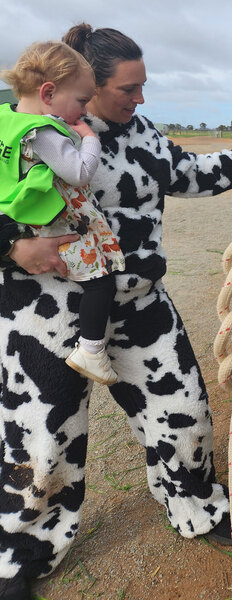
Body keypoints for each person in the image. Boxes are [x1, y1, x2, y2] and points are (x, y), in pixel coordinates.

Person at [0, 23, 232, 600]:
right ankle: (22, 553)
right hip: (46, 313)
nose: (140, 100)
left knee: (184, 412)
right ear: (86, 86)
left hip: (139, 303)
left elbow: (188, 173)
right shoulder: (24, 133)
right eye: (128, 89)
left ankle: (194, 503)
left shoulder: (141, 132)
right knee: (42, 441)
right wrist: (11, 244)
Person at [0, 41, 125, 388]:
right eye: (82, 101)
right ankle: (91, 350)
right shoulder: (43, 133)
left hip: (19, 220)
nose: (83, 111)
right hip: (55, 227)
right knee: (100, 282)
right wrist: (87, 138)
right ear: (49, 92)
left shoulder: (5, 121)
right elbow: (80, 172)